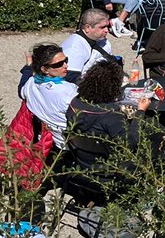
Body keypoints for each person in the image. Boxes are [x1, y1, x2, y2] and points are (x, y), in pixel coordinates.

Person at [63, 60, 150, 194]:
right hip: (109, 169)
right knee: (153, 142)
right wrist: (140, 112)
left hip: (84, 161)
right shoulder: (110, 115)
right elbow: (131, 143)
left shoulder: (75, 103)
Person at [19, 44, 79, 148]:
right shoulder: (69, 91)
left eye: (66, 60)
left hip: (49, 142)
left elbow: (21, 89)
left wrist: (28, 67)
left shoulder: (31, 83)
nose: (66, 65)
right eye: (58, 64)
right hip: (69, 145)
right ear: (44, 69)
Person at [58, 9, 120, 76]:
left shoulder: (102, 40)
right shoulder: (74, 48)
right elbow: (70, 80)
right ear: (87, 28)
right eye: (102, 27)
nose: (106, 30)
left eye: (107, 26)